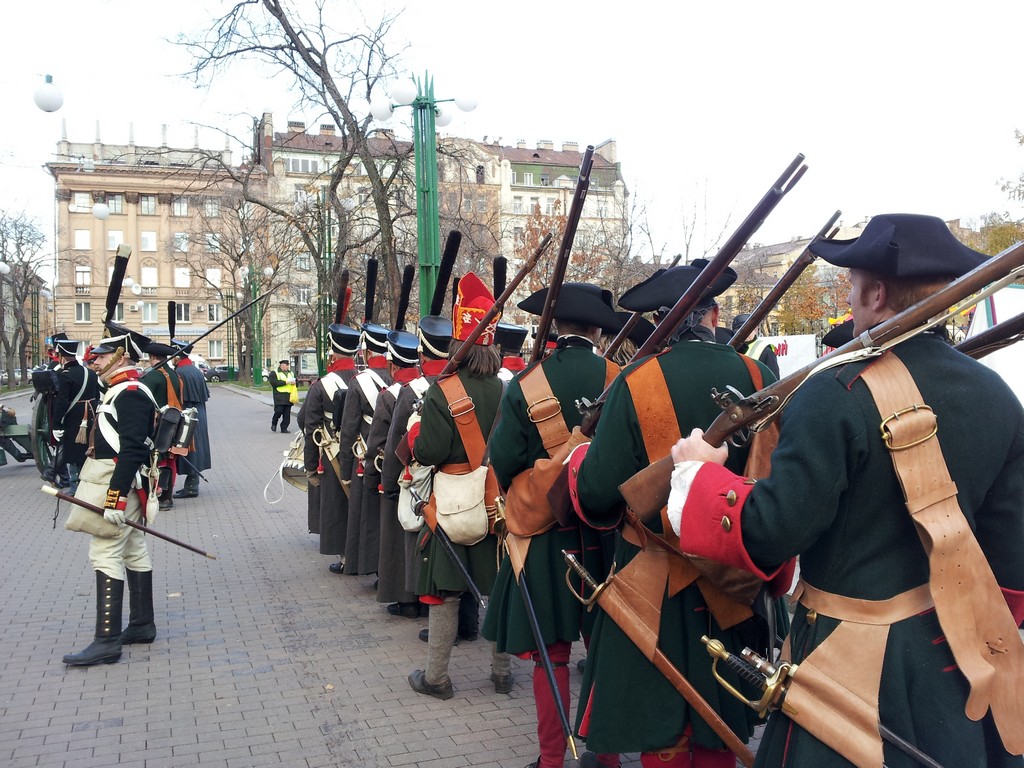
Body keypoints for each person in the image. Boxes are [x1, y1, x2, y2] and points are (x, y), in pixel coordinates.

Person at [667, 214, 1024, 768]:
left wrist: (700, 474)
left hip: (846, 663)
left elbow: (770, 534)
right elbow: (1012, 572)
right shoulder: (997, 394)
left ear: (878, 292)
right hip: (958, 661)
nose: (851, 303)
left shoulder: (834, 390)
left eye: (853, 287)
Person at [565, 261, 784, 768]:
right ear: (713, 315)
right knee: (720, 731)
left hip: (653, 582)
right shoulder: (758, 375)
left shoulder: (636, 381)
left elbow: (597, 494)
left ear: (660, 323)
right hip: (736, 577)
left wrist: (578, 458)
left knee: (663, 733)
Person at [483, 283, 623, 768]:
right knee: (603, 649)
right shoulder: (620, 376)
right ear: (595, 329)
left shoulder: (526, 383)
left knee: (553, 656)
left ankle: (551, 759)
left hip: (547, 537)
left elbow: (502, 461)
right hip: (607, 534)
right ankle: (604, 757)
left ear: (557, 328)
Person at [407, 272, 512, 700]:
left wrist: (416, 434)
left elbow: (428, 453)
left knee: (446, 594)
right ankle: (502, 674)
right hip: (496, 504)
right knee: (500, 587)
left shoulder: (441, 391)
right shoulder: (510, 389)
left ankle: (436, 678)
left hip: (450, 502)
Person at [63, 328, 158, 666]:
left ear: (123, 356)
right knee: (133, 549)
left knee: (104, 552)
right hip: (121, 482)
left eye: (102, 354)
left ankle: (106, 640)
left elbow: (132, 449)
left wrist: (115, 498)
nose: (95, 359)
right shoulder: (119, 389)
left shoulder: (130, 391)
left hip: (119, 484)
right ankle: (142, 625)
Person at [366, 330, 423, 618]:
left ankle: (407, 599)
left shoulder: (393, 395)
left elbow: (384, 443)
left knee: (401, 540)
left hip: (409, 476)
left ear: (392, 364)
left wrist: (383, 482)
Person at [303, 323, 360, 574]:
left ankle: (346, 557)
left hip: (333, 452)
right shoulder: (369, 378)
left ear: (333, 355)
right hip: (364, 452)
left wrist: (309, 466)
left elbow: (309, 426)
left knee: (338, 507)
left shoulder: (321, 385)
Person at [338, 322, 392, 577]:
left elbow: (348, 429)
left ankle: (363, 564)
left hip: (368, 455)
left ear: (367, 352)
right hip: (397, 454)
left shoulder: (360, 382)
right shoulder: (401, 375)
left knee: (367, 514)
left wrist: (346, 469)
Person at [43, 335, 99, 492]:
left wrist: (56, 424)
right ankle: (86, 485)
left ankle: (75, 488)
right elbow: (97, 396)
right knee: (86, 450)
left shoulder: (64, 374)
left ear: (61, 355)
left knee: (72, 453)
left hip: (73, 417)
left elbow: (62, 402)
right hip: (90, 415)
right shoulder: (90, 373)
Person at [141, 341, 185, 512]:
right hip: (174, 423)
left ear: (152, 357)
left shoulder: (153, 376)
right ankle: (167, 495)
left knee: (157, 460)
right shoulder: (173, 373)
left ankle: (160, 496)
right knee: (169, 459)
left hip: (158, 424)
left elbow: (143, 399)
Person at [171, 341, 211, 499]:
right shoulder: (195, 370)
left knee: (190, 450)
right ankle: (192, 485)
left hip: (188, 414)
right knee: (197, 449)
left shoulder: (180, 371)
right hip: (199, 413)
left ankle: (191, 488)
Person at [730, 313, 780, 377]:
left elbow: (773, 380)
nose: (745, 333)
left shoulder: (765, 351)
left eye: (749, 329)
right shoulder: (731, 348)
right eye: (741, 330)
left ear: (755, 330)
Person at [268, 359, 298, 433]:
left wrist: (295, 383)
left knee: (287, 414)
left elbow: (297, 382)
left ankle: (284, 428)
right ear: (282, 365)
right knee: (278, 411)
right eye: (286, 365)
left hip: (289, 396)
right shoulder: (274, 373)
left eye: (288, 365)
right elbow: (274, 383)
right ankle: (274, 423)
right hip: (279, 395)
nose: (287, 367)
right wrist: (286, 382)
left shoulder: (291, 373)